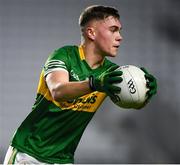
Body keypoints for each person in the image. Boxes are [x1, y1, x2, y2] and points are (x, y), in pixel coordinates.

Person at [3, 5, 157, 164]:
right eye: (113, 30)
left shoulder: (112, 73)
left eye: (120, 30)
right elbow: (57, 90)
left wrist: (144, 93)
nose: (119, 37)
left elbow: (131, 102)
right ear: (91, 32)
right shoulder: (65, 56)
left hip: (63, 159)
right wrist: (94, 84)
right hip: (29, 152)